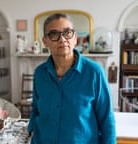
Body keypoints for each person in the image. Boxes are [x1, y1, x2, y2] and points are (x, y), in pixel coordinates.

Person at [28, 13, 116, 144]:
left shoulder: (94, 73)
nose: (62, 39)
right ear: (45, 41)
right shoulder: (40, 73)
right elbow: (36, 108)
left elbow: (107, 119)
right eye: (54, 34)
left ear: (75, 38)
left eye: (67, 33)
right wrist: (31, 129)